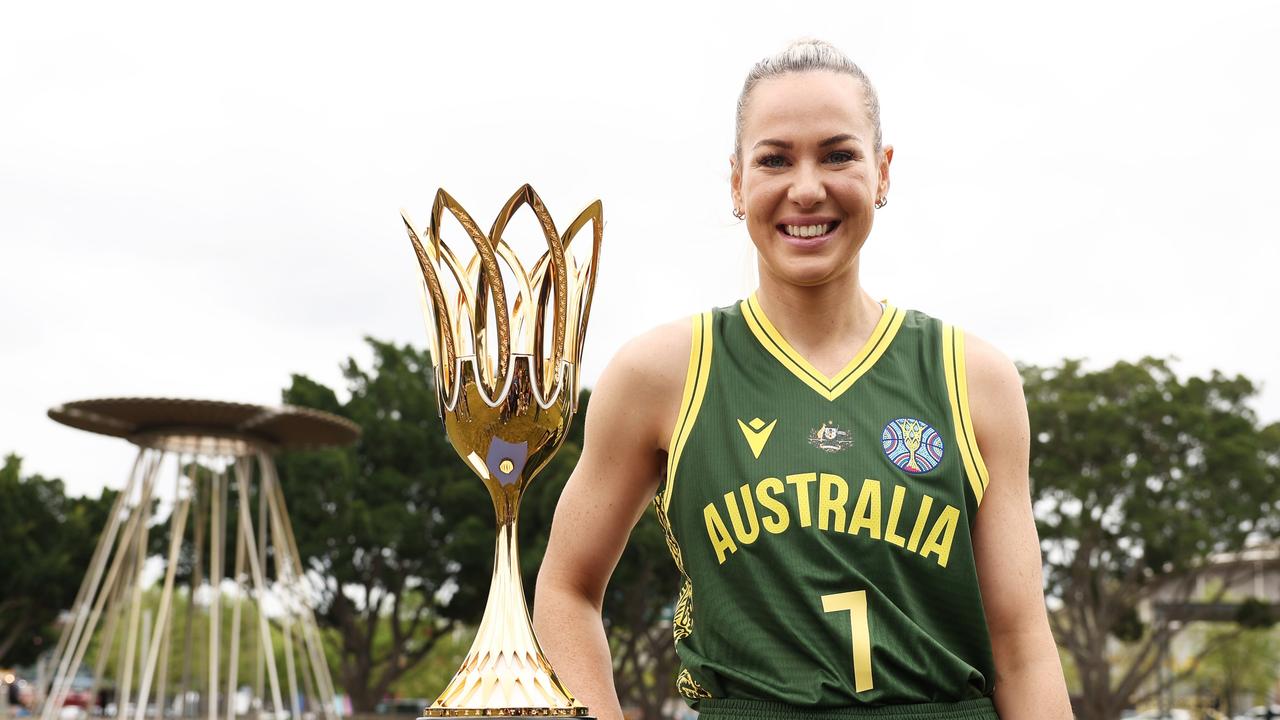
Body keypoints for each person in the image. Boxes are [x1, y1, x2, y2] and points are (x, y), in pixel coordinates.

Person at [534, 39, 1072, 720]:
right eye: (776, 159)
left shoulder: (973, 377)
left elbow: (1020, 643)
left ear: (882, 171)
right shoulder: (660, 374)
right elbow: (564, 591)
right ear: (737, 183)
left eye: (839, 154)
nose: (808, 187)